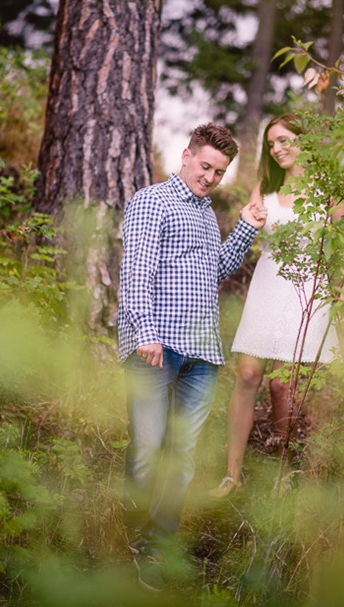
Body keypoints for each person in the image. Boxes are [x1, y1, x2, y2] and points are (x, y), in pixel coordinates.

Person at [118, 122, 267, 592]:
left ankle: (154, 547)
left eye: (219, 172)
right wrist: (145, 333)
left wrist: (245, 226)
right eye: (205, 166)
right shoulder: (151, 201)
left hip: (201, 353)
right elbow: (136, 272)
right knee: (147, 448)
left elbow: (218, 270)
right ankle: (131, 530)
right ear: (186, 156)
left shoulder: (205, 212)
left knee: (181, 456)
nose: (210, 178)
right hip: (155, 347)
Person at [209, 113, 344, 499]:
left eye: (285, 140)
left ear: (304, 142)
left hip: (307, 293)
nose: (278, 149)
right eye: (272, 144)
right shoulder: (265, 188)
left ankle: (282, 472)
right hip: (268, 288)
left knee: (283, 384)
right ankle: (232, 474)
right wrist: (249, 220)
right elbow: (245, 231)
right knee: (248, 375)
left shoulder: (327, 190)